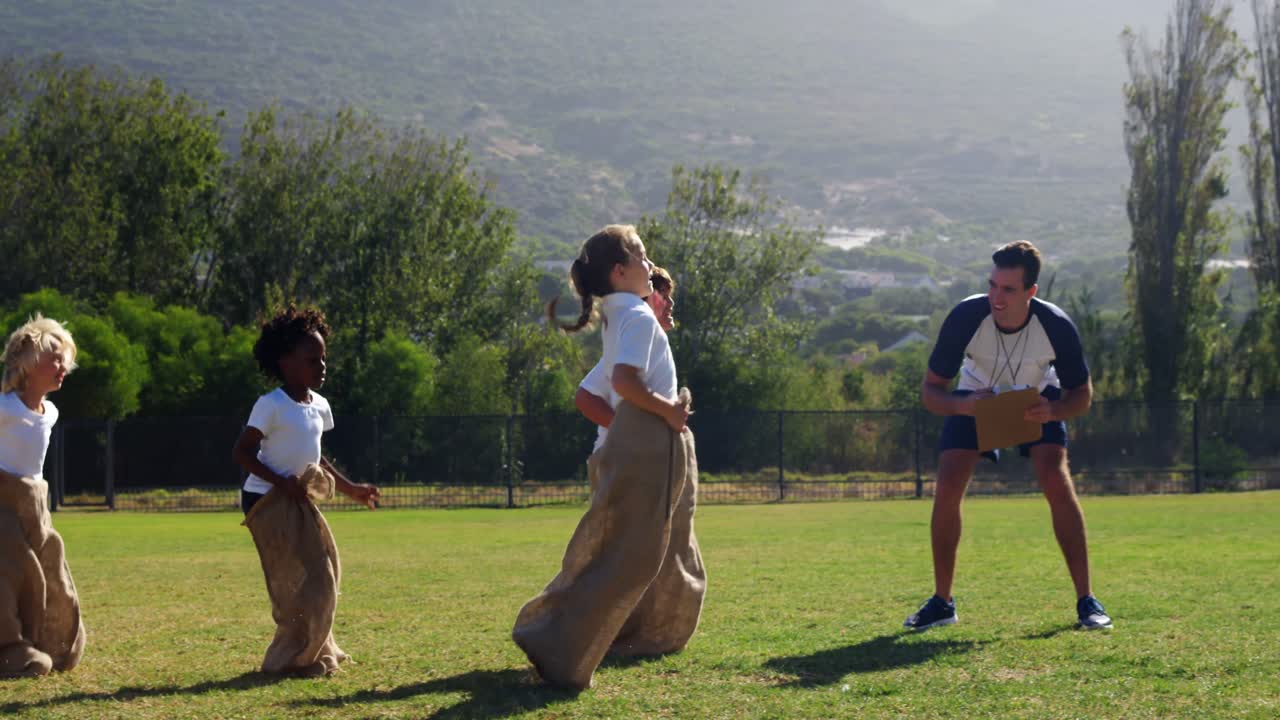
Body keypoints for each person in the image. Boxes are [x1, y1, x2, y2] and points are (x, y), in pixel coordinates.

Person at [513, 226, 704, 690]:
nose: (649, 264)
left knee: (626, 557)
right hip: (646, 452)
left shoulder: (625, 318)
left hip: (639, 450)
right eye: (642, 257)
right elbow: (623, 383)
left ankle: (584, 639)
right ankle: (554, 643)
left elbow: (605, 389)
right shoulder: (636, 318)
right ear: (620, 272)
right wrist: (668, 412)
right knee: (626, 562)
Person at [904, 240, 1112, 632]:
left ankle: (1087, 600)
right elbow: (931, 393)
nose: (996, 298)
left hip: (1037, 399)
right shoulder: (966, 316)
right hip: (975, 398)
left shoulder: (1055, 325)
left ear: (1031, 291)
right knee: (948, 483)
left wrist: (1054, 411)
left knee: (1055, 478)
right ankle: (942, 602)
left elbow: (1082, 397)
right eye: (992, 286)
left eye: (1009, 290)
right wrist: (964, 406)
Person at [231, 305, 380, 675]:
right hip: (265, 501)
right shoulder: (270, 405)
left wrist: (352, 490)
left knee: (321, 575)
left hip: (297, 499)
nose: (322, 366)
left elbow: (317, 459)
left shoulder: (320, 407)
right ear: (286, 362)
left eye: (323, 359)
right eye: (312, 360)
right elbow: (242, 453)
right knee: (303, 580)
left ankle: (310, 650)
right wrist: (281, 483)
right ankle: (293, 658)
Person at [0, 315, 86, 677]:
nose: (63, 366)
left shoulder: (50, 412)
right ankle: (10, 648)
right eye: (54, 359)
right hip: (4, 505)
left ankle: (56, 640)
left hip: (35, 506)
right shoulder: (5, 408)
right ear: (27, 362)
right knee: (10, 571)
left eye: (65, 359)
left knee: (51, 567)